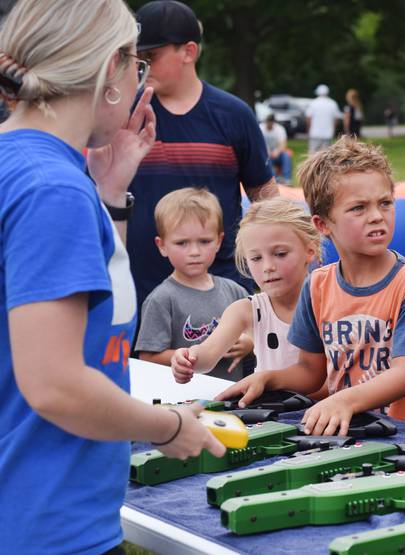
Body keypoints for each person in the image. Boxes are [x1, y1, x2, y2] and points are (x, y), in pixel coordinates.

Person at [0, 1, 225, 553]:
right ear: (110, 71)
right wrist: (169, 429)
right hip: (47, 522)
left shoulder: (32, 169)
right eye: (137, 65)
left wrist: (108, 192)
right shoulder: (52, 189)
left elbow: (94, 320)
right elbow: (55, 384)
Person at [217, 137, 405, 434]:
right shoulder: (318, 286)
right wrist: (268, 379)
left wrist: (345, 401)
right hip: (344, 431)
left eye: (385, 203)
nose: (377, 216)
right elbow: (311, 372)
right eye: (358, 208)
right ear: (323, 225)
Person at [128, 0, 277, 309]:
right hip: (139, 289)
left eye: (150, 55)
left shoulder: (233, 114)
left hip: (222, 292)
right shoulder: (124, 114)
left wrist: (268, 262)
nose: (140, 64)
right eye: (135, 56)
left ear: (189, 52)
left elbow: (265, 195)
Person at [171, 197, 321, 382]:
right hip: (269, 408)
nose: (268, 266)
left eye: (280, 254)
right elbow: (208, 354)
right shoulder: (246, 310)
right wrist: (189, 358)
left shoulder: (328, 302)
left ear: (310, 251)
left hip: (327, 408)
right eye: (256, 258)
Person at [135, 188, 254, 380]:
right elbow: (148, 357)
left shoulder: (235, 292)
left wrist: (249, 344)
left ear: (219, 241)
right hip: (184, 401)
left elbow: (261, 333)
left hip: (232, 400)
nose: (194, 252)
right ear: (162, 245)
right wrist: (184, 358)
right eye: (182, 243)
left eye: (205, 241)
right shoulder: (161, 299)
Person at [305, 83, 342, 153]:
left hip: (314, 133)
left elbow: (308, 118)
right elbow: (336, 119)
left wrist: (309, 129)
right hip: (327, 134)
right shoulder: (332, 103)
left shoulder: (313, 103)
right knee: (326, 155)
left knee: (312, 154)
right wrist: (333, 129)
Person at [262, 113, 293, 184]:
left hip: (277, 153)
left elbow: (283, 144)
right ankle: (274, 179)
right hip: (265, 153)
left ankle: (287, 179)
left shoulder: (280, 129)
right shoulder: (261, 128)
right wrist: (266, 151)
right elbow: (258, 143)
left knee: (286, 155)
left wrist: (277, 152)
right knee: (266, 158)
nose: (269, 124)